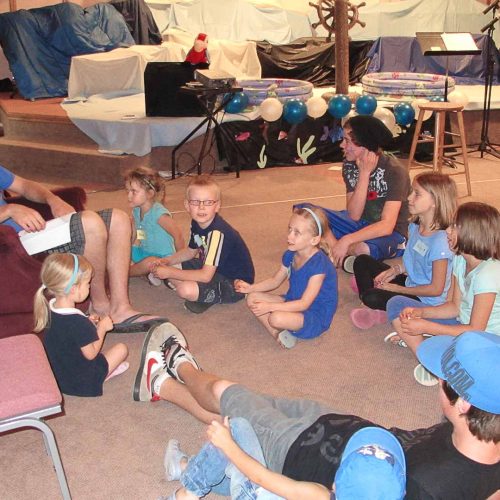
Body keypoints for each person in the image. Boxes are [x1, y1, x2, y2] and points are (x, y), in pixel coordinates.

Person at [134, 328, 500, 499]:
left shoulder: (429, 487)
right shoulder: (481, 438)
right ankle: (164, 387)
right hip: (340, 426)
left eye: (442, 377)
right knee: (249, 403)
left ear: (465, 403)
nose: (437, 380)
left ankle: (178, 364)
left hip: (300, 454)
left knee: (230, 396)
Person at [0, 165, 166, 333]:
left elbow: (24, 186)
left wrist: (53, 199)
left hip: (31, 234)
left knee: (119, 219)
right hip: (11, 248)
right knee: (90, 223)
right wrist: (8, 210)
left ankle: (120, 308)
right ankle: (100, 306)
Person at [386, 202, 500, 386]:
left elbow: (476, 331)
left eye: (455, 226)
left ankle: (431, 353)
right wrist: (421, 313)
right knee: (396, 303)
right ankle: (428, 358)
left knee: (468, 354)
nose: (447, 230)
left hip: (485, 340)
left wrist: (426, 327)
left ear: (473, 232)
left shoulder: (488, 274)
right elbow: (454, 307)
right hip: (462, 325)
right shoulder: (460, 258)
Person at [162, 421, 406, 500]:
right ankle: (185, 466)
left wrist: (227, 443)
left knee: (236, 427)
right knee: (230, 468)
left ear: (335, 486)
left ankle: (186, 492)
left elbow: (259, 477)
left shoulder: (320, 495)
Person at [295, 115, 411, 270]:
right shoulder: (349, 165)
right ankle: (337, 250)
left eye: (347, 141)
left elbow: (387, 226)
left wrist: (348, 240)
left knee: (363, 249)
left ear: (365, 145)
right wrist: (364, 174)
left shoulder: (395, 172)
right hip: (360, 224)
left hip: (391, 232)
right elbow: (354, 215)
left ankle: (333, 246)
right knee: (304, 212)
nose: (342, 145)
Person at [349, 173, 456, 330]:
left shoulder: (440, 242)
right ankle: (374, 299)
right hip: (410, 282)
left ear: (435, 201)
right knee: (362, 261)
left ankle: (373, 304)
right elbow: (412, 260)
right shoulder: (415, 226)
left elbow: (436, 289)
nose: (409, 198)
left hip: (424, 299)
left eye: (417, 194)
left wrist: (398, 289)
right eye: (411, 191)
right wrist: (395, 270)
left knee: (371, 295)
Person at [234, 206, 337, 349]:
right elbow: (275, 280)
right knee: (252, 297)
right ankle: (277, 333)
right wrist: (251, 287)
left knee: (275, 317)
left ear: (314, 240)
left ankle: (279, 325)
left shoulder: (319, 266)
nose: (289, 236)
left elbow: (304, 304)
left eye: (297, 233)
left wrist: (270, 307)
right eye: (289, 229)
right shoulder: (290, 253)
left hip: (315, 315)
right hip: (293, 299)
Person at [151, 175, 254, 314]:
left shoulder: (217, 234)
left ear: (217, 206)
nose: (201, 207)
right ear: (187, 205)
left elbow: (205, 276)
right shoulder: (197, 223)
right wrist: (167, 261)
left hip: (234, 283)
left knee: (184, 289)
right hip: (210, 267)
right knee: (170, 266)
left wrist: (170, 272)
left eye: (208, 202)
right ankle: (202, 292)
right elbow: (190, 251)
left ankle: (206, 296)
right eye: (195, 202)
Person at [34, 253, 129, 397]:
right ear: (73, 289)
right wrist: (102, 329)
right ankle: (102, 376)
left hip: (59, 379)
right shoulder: (77, 322)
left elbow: (68, 337)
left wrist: (88, 324)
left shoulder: (49, 309)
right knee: (122, 349)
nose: (89, 287)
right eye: (87, 283)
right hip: (82, 383)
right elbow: (91, 354)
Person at [124, 167, 184, 285]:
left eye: (134, 192)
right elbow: (134, 233)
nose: (129, 196)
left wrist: (180, 261)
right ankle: (147, 272)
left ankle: (125, 273)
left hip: (162, 258)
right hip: (144, 252)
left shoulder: (159, 214)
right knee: (119, 247)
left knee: (150, 263)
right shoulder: (136, 210)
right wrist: (125, 249)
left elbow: (178, 236)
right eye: (127, 191)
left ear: (150, 194)